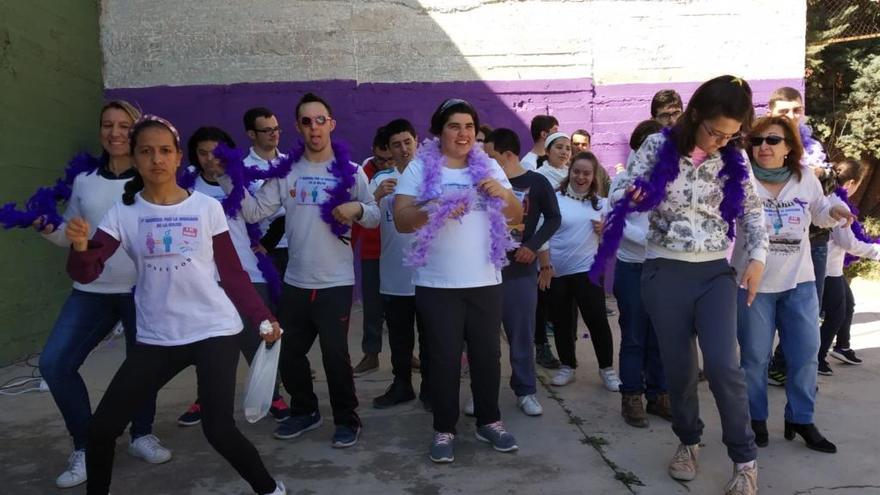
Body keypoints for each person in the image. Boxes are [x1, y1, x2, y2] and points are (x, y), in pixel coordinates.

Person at [65, 115, 287, 495]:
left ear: (178, 156)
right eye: (146, 152)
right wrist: (81, 247)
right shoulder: (124, 212)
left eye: (165, 151)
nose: (156, 159)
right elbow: (86, 272)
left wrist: (263, 317)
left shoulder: (206, 208)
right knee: (102, 429)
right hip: (157, 337)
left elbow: (232, 274)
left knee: (218, 429)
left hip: (213, 330)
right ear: (134, 159)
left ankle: (270, 489)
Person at [610, 75, 768, 494]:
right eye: (715, 131)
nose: (721, 141)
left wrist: (757, 258)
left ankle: (745, 458)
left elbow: (753, 212)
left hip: (714, 271)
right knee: (679, 369)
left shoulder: (734, 157)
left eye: (731, 135)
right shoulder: (658, 147)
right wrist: (634, 194)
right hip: (664, 270)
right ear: (695, 114)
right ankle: (688, 440)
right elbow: (619, 192)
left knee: (722, 366)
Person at [219, 93, 379, 448]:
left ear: (331, 124)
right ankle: (305, 411)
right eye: (306, 121)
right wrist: (230, 180)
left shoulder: (351, 173)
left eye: (320, 119)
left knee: (335, 356)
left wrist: (355, 208)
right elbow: (255, 211)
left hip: (335, 282)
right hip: (296, 281)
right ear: (298, 127)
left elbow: (375, 213)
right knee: (288, 352)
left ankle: (346, 419)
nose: (314, 127)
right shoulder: (288, 171)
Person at [35, 100, 170, 489]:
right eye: (107, 125)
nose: (115, 133)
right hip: (92, 290)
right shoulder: (84, 181)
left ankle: (141, 433)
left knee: (142, 366)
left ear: (137, 129)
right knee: (54, 364)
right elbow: (71, 235)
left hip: (143, 289)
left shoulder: (152, 177)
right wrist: (50, 230)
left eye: (124, 125)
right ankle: (85, 444)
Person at [394, 98, 523, 463]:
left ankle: (489, 421)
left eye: (469, 126)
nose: (463, 133)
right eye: (454, 126)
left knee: (488, 356)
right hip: (437, 284)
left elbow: (515, 215)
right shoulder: (420, 169)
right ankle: (444, 428)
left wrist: (503, 194)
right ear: (439, 130)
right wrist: (434, 206)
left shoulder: (489, 166)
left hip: (484, 279)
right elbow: (402, 219)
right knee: (443, 360)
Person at [734, 116, 852, 455]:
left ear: (789, 147)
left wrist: (836, 211)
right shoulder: (740, 180)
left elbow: (820, 212)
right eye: (757, 141)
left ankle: (801, 418)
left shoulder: (805, 180)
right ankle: (756, 419)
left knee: (805, 355)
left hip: (799, 282)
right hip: (752, 284)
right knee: (754, 358)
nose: (763, 147)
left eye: (772, 140)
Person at [176, 126, 291, 426]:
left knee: (260, 336)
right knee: (208, 343)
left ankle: (272, 394)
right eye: (202, 153)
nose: (210, 159)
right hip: (203, 275)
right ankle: (207, 397)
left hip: (247, 271)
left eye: (216, 152)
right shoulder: (187, 186)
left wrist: (264, 245)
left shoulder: (240, 180)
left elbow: (259, 215)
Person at [484, 127, 561, 415]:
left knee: (521, 335)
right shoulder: (482, 182)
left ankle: (525, 390)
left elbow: (554, 218)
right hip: (485, 272)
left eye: (491, 156)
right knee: (484, 339)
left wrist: (534, 245)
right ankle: (484, 391)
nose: (486, 161)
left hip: (520, 272)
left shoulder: (537, 182)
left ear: (508, 155)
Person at [765, 87, 838, 387]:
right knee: (769, 306)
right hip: (775, 240)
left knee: (809, 308)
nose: (792, 116)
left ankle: (788, 365)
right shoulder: (764, 143)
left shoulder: (815, 146)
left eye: (797, 109)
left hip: (815, 238)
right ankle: (764, 364)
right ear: (771, 113)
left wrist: (823, 174)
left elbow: (831, 189)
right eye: (785, 111)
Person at [539, 152, 620, 391]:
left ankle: (607, 369)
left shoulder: (601, 203)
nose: (580, 177)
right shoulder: (554, 199)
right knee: (563, 322)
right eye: (576, 171)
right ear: (569, 171)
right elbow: (542, 233)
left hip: (588, 270)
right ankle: (567, 366)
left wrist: (606, 231)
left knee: (596, 320)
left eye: (586, 173)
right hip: (557, 271)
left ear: (594, 176)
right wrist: (544, 266)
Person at [369, 118, 431, 409]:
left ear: (417, 140)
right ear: (389, 150)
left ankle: (432, 387)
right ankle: (402, 384)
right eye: (396, 144)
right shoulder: (381, 181)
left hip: (431, 276)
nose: (403, 149)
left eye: (408, 142)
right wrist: (375, 197)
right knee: (399, 338)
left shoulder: (433, 177)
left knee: (432, 338)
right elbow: (365, 219)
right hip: (394, 276)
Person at [614, 120, 671, 428]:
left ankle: (659, 394)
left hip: (663, 269)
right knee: (634, 335)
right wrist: (654, 241)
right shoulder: (624, 181)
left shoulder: (671, 181)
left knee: (660, 336)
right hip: (633, 267)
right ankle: (631, 395)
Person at [820, 159, 878, 372]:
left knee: (848, 305)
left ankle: (842, 346)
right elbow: (848, 243)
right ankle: (817, 356)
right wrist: (876, 252)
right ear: (851, 183)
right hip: (826, 269)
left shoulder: (830, 199)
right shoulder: (838, 204)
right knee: (836, 314)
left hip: (831, 268)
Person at [351, 127, 395, 377]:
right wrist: (376, 195)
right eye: (381, 159)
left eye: (390, 159)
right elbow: (358, 211)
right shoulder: (362, 173)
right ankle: (371, 354)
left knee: (401, 307)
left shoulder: (407, 171)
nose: (386, 164)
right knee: (373, 306)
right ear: (373, 152)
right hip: (372, 250)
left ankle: (406, 353)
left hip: (398, 251)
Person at [242, 107, 289, 275]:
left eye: (276, 129)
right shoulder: (242, 169)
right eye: (267, 130)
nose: (274, 133)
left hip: (296, 245)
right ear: (251, 134)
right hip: (263, 248)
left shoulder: (291, 164)